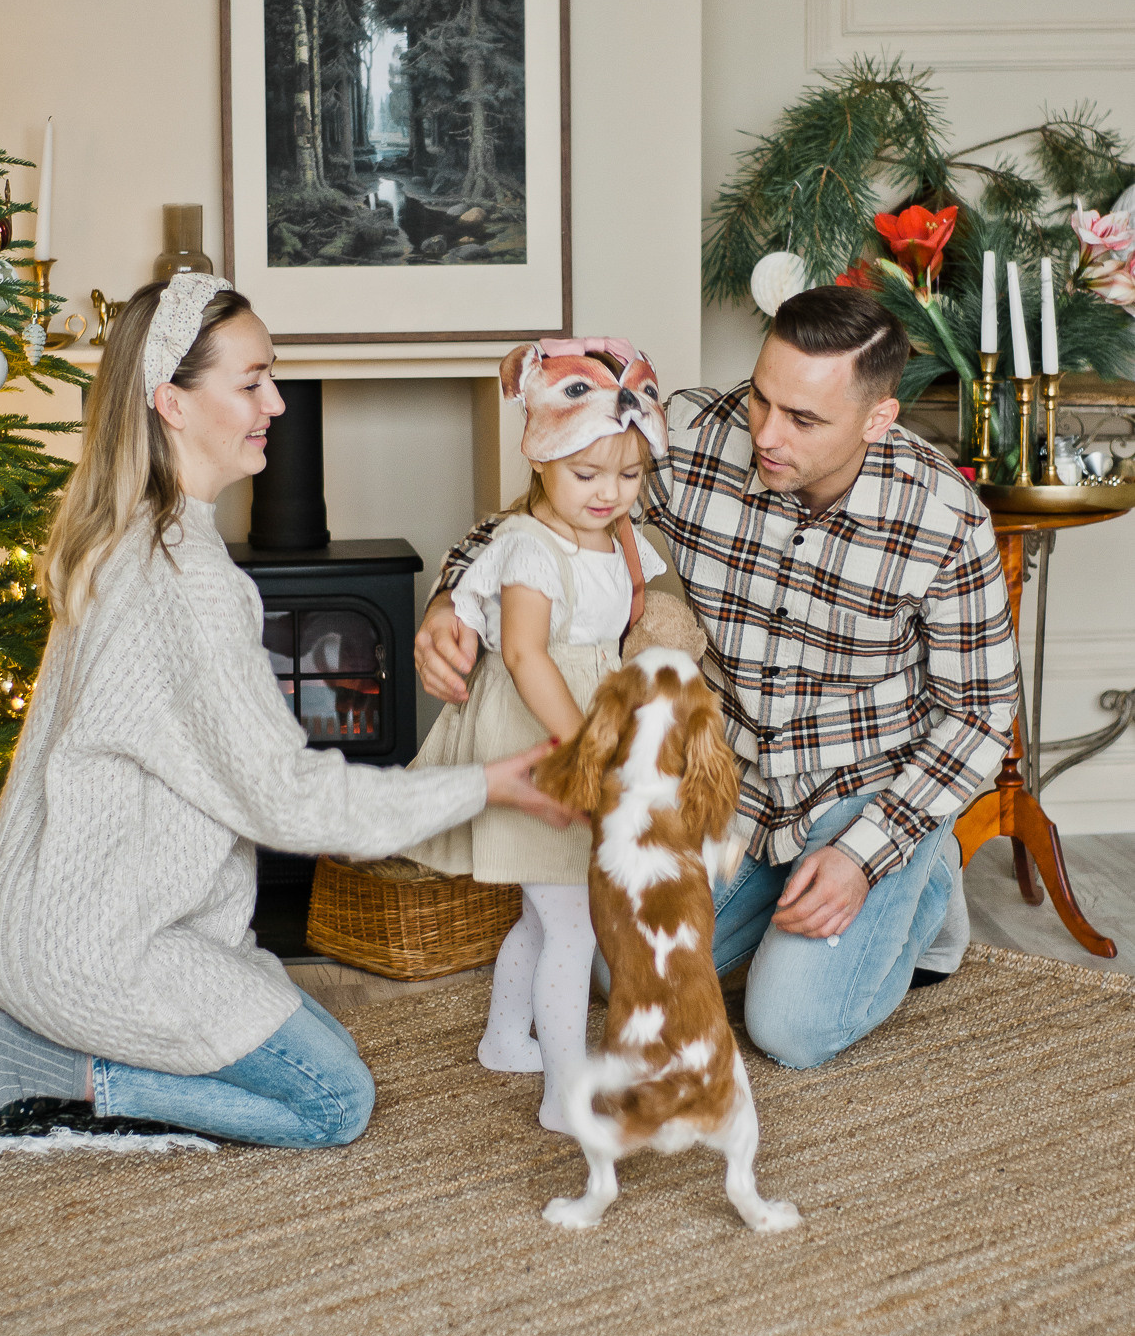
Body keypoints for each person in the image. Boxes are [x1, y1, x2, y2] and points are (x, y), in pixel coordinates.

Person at [0, 275, 572, 1182]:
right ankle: (33, 1064)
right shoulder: (185, 584)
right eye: (253, 382)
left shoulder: (128, 533)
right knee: (331, 1101)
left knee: (284, 1016)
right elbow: (292, 801)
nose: (277, 402)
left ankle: (6, 1014)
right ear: (173, 404)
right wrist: (490, 783)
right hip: (88, 945)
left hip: (35, 913)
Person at [415, 288, 1019, 1070]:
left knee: (789, 1031)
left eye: (803, 420)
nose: (766, 434)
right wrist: (447, 601)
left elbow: (978, 714)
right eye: (763, 397)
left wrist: (866, 853)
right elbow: (540, 517)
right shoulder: (691, 437)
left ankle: (921, 874)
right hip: (731, 790)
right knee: (608, 972)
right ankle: (798, 894)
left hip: (862, 792)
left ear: (878, 419)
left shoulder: (945, 518)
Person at [400, 337, 668, 1133]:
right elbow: (522, 654)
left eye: (628, 476)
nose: (607, 493)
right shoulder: (527, 546)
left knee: (547, 913)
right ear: (541, 457)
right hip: (545, 738)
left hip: (585, 720)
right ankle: (563, 1091)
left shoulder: (616, 538)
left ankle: (504, 1037)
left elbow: (629, 628)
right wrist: (588, 751)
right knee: (573, 923)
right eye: (587, 474)